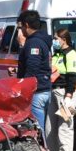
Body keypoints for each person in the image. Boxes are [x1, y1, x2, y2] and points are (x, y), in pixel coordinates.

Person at [15, 9, 53, 138]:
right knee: (45, 127)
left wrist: (24, 89)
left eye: (20, 27)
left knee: (38, 128)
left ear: (26, 25)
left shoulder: (33, 42)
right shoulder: (42, 40)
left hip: (37, 92)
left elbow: (32, 68)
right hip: (45, 88)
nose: (20, 31)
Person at [49, 28, 76, 151]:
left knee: (65, 126)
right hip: (53, 91)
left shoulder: (71, 54)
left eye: (57, 38)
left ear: (64, 40)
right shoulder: (57, 54)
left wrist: (69, 95)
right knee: (50, 126)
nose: (55, 41)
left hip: (65, 93)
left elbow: (72, 77)